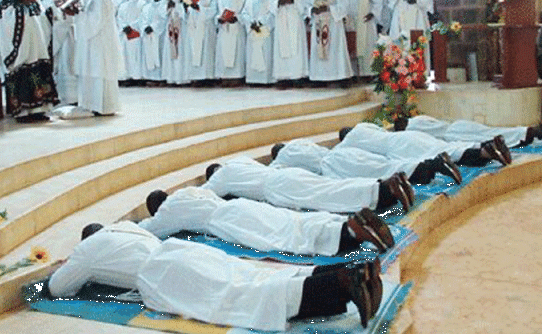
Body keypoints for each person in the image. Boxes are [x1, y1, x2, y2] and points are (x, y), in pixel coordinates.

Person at [49, 221, 381, 330]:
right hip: (181, 251)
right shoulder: (125, 226)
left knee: (239, 298)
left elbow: (58, 287)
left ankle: (341, 283)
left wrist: (73, 264)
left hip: (161, 274)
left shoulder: (88, 250)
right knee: (252, 277)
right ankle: (348, 272)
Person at [143, 186, 395, 254]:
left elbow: (150, 229)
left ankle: (350, 230)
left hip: (228, 221)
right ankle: (343, 224)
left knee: (284, 236)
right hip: (240, 206)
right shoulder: (190, 191)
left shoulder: (168, 211)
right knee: (290, 221)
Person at [202, 156, 414, 212]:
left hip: (278, 188)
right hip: (286, 175)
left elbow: (203, 194)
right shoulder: (239, 161)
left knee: (328, 196)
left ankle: (384, 189)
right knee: (330, 186)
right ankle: (384, 185)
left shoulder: (221, 176)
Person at [0, 0, 59, 122]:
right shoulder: (8, 1)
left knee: (38, 74)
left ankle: (39, 110)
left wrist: (51, 11)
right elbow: (5, 24)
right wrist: (20, 7)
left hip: (37, 47)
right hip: (21, 50)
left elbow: (42, 19)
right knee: (24, 76)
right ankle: (22, 113)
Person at [271, 138, 462, 185]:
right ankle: (433, 163)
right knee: (386, 166)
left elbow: (276, 170)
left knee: (384, 173)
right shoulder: (300, 143)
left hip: (336, 166)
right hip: (344, 154)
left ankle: (432, 167)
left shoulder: (284, 157)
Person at [337, 123, 512, 168]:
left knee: (445, 155)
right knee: (444, 146)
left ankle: (485, 152)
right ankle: (486, 145)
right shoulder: (363, 127)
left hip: (399, 148)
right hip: (406, 137)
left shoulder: (348, 143)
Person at [74, 0, 124, 115]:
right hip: (93, 41)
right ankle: (93, 105)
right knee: (93, 72)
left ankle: (104, 106)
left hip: (101, 43)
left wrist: (79, 14)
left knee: (101, 72)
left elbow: (97, 21)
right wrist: (79, 13)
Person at [308, 0, 353, 83]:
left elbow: (344, 6)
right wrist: (312, 10)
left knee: (335, 49)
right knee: (319, 47)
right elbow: (307, 5)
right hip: (318, 22)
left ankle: (340, 77)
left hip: (333, 24)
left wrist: (328, 8)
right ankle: (319, 78)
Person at [387, 0, 433, 69]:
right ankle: (399, 71)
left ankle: (420, 72)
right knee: (399, 44)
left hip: (417, 19)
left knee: (418, 43)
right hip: (400, 19)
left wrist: (416, 0)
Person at [270, 0, 309, 86]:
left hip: (295, 18)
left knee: (296, 46)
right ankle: (283, 77)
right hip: (281, 19)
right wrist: (279, 3)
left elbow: (306, 2)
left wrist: (293, 0)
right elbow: (271, 4)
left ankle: (297, 77)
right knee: (282, 47)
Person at [405, 115, 542, 148]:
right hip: (458, 128)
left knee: (491, 136)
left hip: (455, 133)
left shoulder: (412, 127)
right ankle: (528, 133)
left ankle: (529, 133)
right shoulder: (418, 118)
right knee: (492, 133)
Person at [51, 0, 83, 105]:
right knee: (66, 63)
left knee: (79, 64)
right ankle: (67, 97)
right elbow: (57, 11)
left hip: (80, 32)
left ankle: (80, 96)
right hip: (65, 33)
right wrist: (69, 11)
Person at [346, 0, 380, 78]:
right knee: (352, 47)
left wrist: (372, 13)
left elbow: (378, 2)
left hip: (365, 22)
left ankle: (368, 73)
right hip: (351, 23)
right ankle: (354, 74)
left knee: (366, 47)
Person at [241, 0, 274, 85]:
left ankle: (266, 80)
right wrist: (251, 23)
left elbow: (272, 13)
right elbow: (244, 13)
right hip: (252, 30)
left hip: (264, 29)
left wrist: (260, 22)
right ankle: (253, 79)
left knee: (265, 53)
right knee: (253, 54)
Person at [215, 0, 247, 87]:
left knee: (237, 53)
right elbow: (218, 12)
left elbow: (245, 13)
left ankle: (237, 77)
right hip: (224, 29)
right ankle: (225, 77)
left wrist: (237, 18)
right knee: (223, 53)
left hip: (236, 28)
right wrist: (219, 18)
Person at [185, 0, 218, 83]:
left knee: (205, 54)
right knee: (194, 52)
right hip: (194, 29)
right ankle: (195, 78)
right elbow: (187, 11)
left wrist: (198, 8)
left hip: (206, 30)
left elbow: (212, 12)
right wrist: (186, 7)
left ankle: (207, 78)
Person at [161, 0, 189, 85]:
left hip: (181, 26)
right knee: (171, 50)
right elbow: (161, 9)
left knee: (181, 50)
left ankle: (182, 78)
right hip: (171, 25)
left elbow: (190, 9)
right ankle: (171, 78)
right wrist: (168, 6)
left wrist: (177, 5)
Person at [117, 0, 144, 82]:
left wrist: (131, 26)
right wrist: (124, 26)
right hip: (125, 34)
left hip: (136, 34)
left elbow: (142, 17)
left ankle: (137, 77)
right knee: (126, 57)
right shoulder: (123, 5)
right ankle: (127, 77)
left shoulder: (142, 4)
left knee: (136, 57)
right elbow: (119, 18)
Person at [139, 0, 166, 84]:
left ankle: (161, 79)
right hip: (148, 34)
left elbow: (163, 20)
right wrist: (145, 27)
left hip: (159, 35)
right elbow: (142, 19)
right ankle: (150, 77)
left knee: (159, 54)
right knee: (149, 55)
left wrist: (153, 27)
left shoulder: (163, 6)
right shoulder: (146, 7)